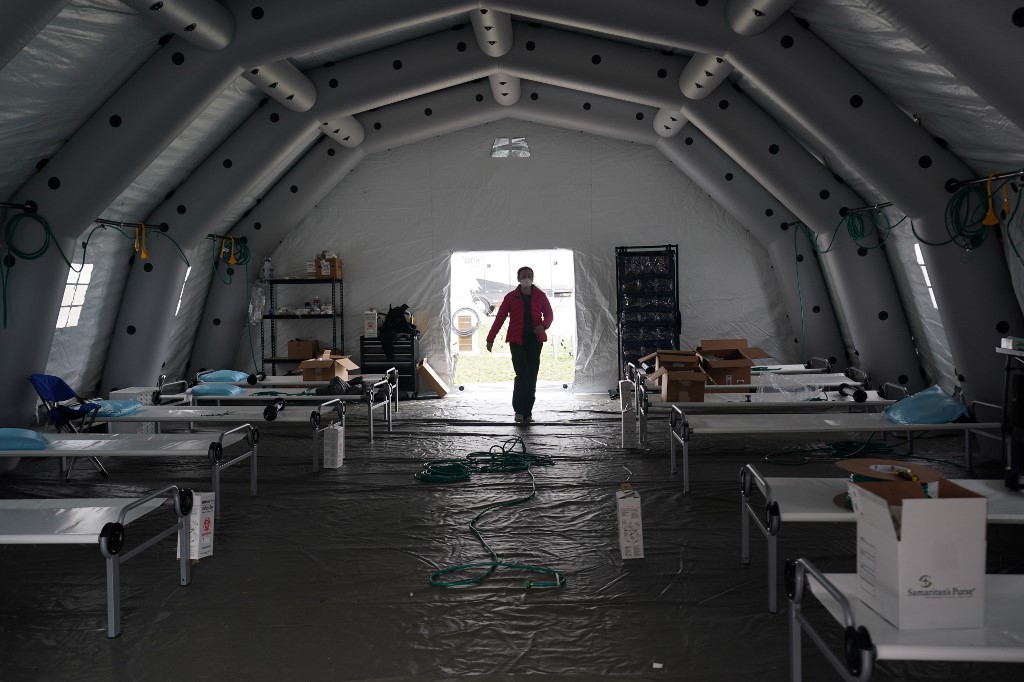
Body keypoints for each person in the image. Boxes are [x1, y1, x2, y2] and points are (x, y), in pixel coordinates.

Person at [485, 266, 554, 423]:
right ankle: (519, 411)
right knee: (522, 375)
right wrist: (490, 338)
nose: (527, 278)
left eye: (529, 275)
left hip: (535, 341)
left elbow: (549, 314)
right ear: (518, 279)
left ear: (533, 278)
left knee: (532, 376)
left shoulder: (540, 296)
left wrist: (543, 326)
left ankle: (528, 412)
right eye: (524, 276)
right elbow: (499, 319)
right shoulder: (511, 297)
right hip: (517, 342)